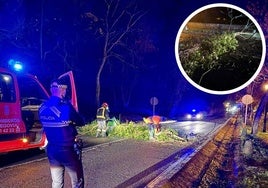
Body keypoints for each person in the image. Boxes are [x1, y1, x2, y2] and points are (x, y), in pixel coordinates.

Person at [39, 79, 85, 188]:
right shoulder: (66, 107)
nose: (65, 92)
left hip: (52, 150)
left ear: (51, 90)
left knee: (57, 183)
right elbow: (81, 121)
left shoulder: (42, 108)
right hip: (67, 150)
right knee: (77, 182)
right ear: (61, 89)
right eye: (64, 89)